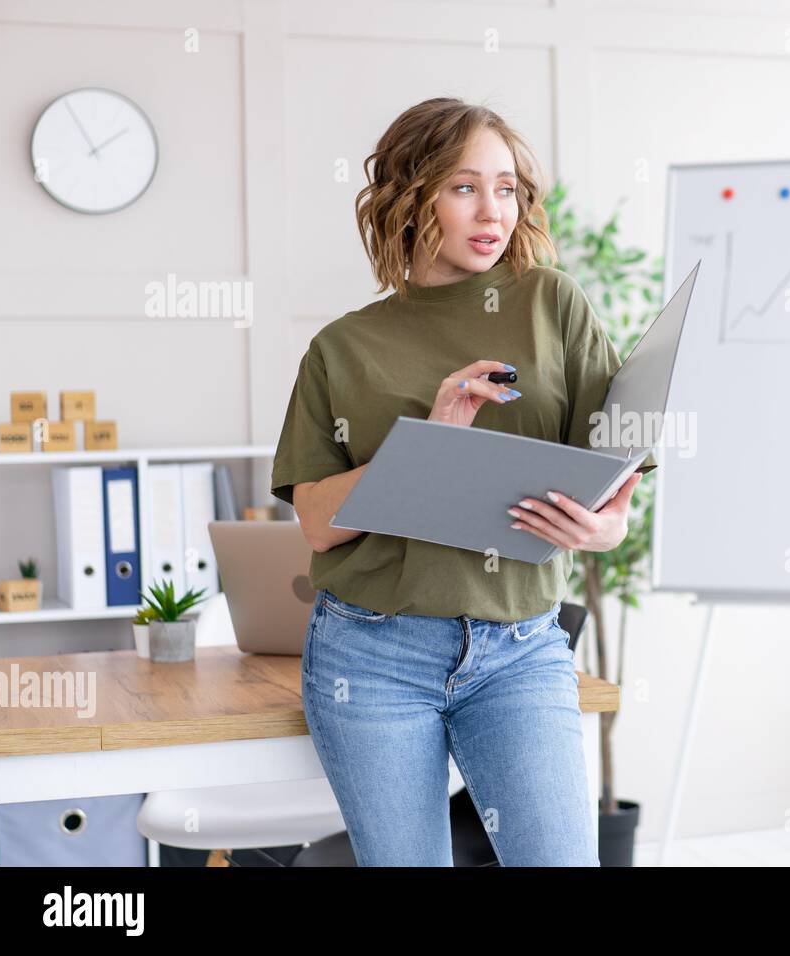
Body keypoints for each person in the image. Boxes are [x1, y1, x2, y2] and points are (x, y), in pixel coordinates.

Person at [269, 97, 656, 866]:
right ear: (411, 200)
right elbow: (318, 523)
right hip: (372, 654)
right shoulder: (342, 348)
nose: (494, 211)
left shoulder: (554, 304)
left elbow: (617, 463)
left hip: (520, 646)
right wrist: (430, 446)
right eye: (464, 187)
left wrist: (607, 528)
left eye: (507, 188)